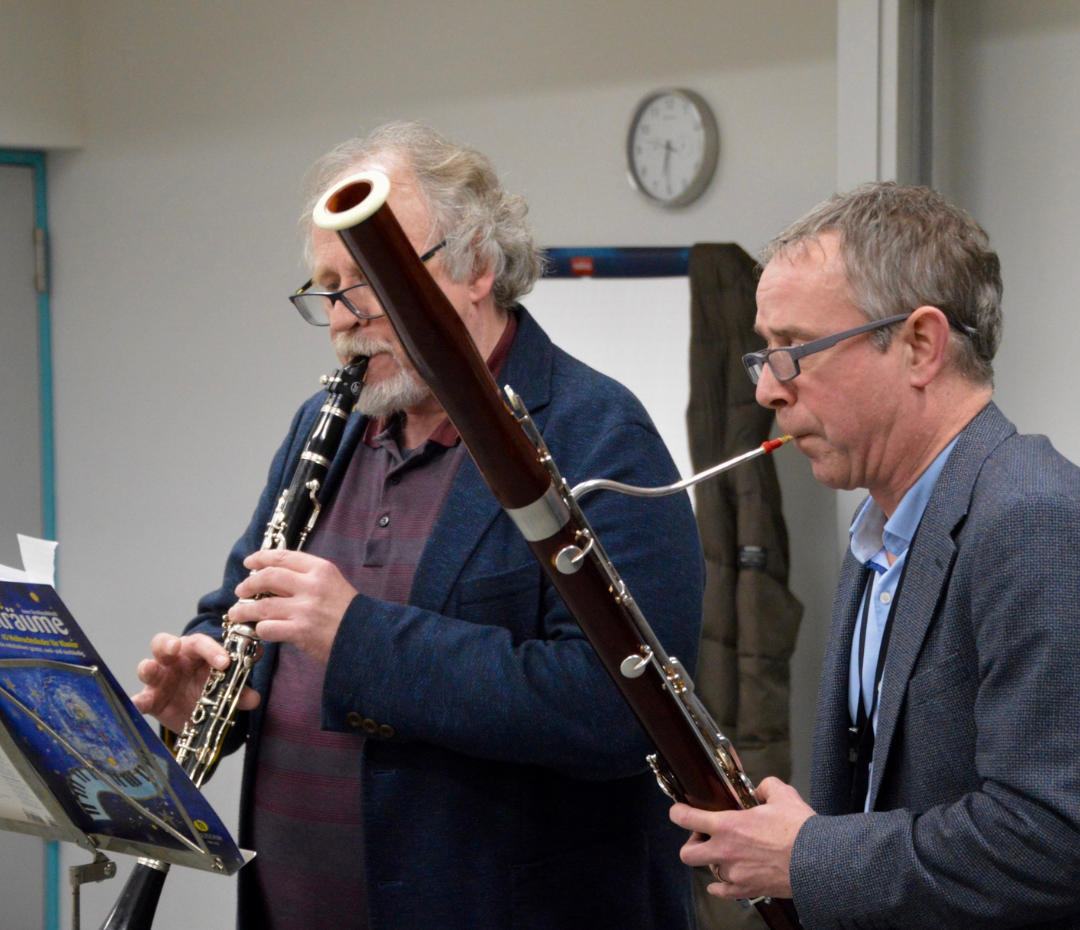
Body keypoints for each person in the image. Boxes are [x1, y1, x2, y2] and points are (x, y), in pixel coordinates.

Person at [131, 122, 704, 930]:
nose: (343, 318)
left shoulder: (595, 431)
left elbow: (621, 714)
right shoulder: (320, 427)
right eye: (327, 288)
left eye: (369, 279)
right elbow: (247, 603)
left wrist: (359, 637)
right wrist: (213, 675)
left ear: (476, 267)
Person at [670, 182, 1080, 929]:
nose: (767, 389)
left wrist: (807, 856)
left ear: (920, 346)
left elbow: (1051, 841)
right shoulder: (879, 525)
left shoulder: (1033, 517)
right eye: (764, 354)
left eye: (795, 351)